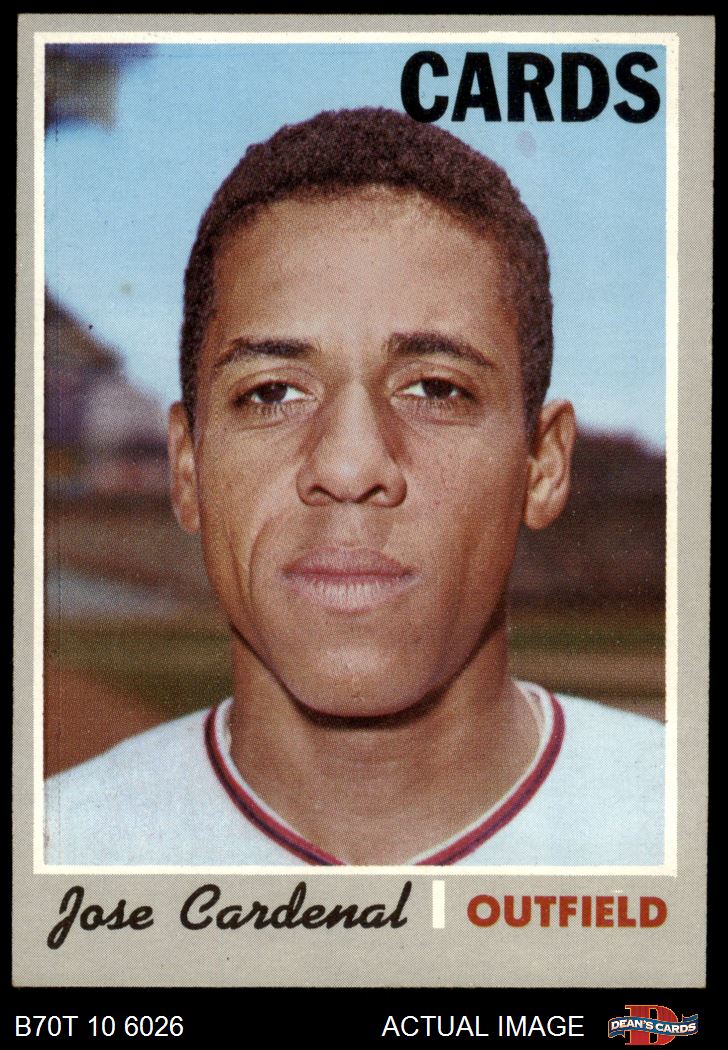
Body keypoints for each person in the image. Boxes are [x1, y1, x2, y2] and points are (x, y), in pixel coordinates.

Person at [45, 108, 663, 866]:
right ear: (187, 469)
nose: (348, 465)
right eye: (272, 392)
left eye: (436, 388)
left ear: (543, 464)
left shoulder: (674, 827)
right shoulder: (55, 855)